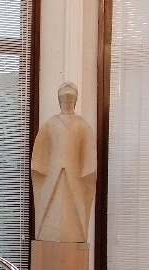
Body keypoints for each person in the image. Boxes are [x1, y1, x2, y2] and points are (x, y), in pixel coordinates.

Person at [31, 81, 96, 243]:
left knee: (76, 213)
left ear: (76, 99)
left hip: (76, 179)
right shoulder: (50, 124)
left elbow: (90, 162)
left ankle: (76, 233)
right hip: (52, 177)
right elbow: (38, 160)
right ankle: (46, 232)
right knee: (49, 212)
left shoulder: (82, 125)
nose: (67, 95)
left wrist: (85, 177)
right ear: (58, 99)